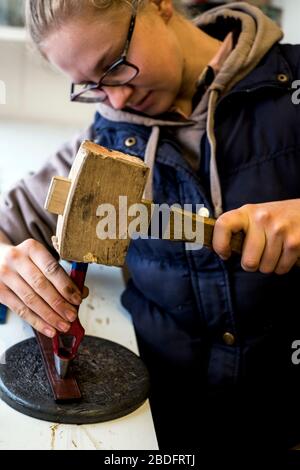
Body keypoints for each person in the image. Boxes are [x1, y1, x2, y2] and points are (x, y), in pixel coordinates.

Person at [1, 0, 300, 452]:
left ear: (159, 4)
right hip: (163, 429)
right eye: (92, 86)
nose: (117, 99)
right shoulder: (105, 141)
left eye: (115, 65)